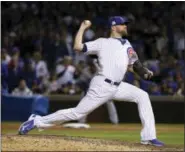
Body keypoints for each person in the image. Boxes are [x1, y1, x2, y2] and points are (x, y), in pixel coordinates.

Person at [18, 16, 164, 147]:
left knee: (142, 96)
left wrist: (145, 71)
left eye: (125, 24)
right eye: (122, 24)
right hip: (102, 85)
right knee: (76, 113)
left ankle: (149, 137)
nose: (125, 26)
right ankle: (36, 121)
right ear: (113, 27)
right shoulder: (102, 42)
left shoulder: (127, 44)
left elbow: (134, 65)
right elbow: (77, 47)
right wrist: (82, 28)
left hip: (118, 86)